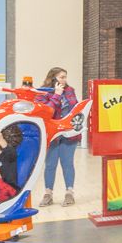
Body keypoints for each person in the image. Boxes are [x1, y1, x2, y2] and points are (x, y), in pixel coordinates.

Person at [39, 67, 80, 206]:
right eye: (61, 77)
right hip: (52, 134)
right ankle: (48, 194)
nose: (64, 80)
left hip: (69, 134)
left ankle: (69, 193)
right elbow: (46, 111)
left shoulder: (70, 90)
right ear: (53, 78)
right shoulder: (42, 92)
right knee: (50, 164)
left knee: (67, 164)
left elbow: (75, 109)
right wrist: (56, 95)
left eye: (65, 77)